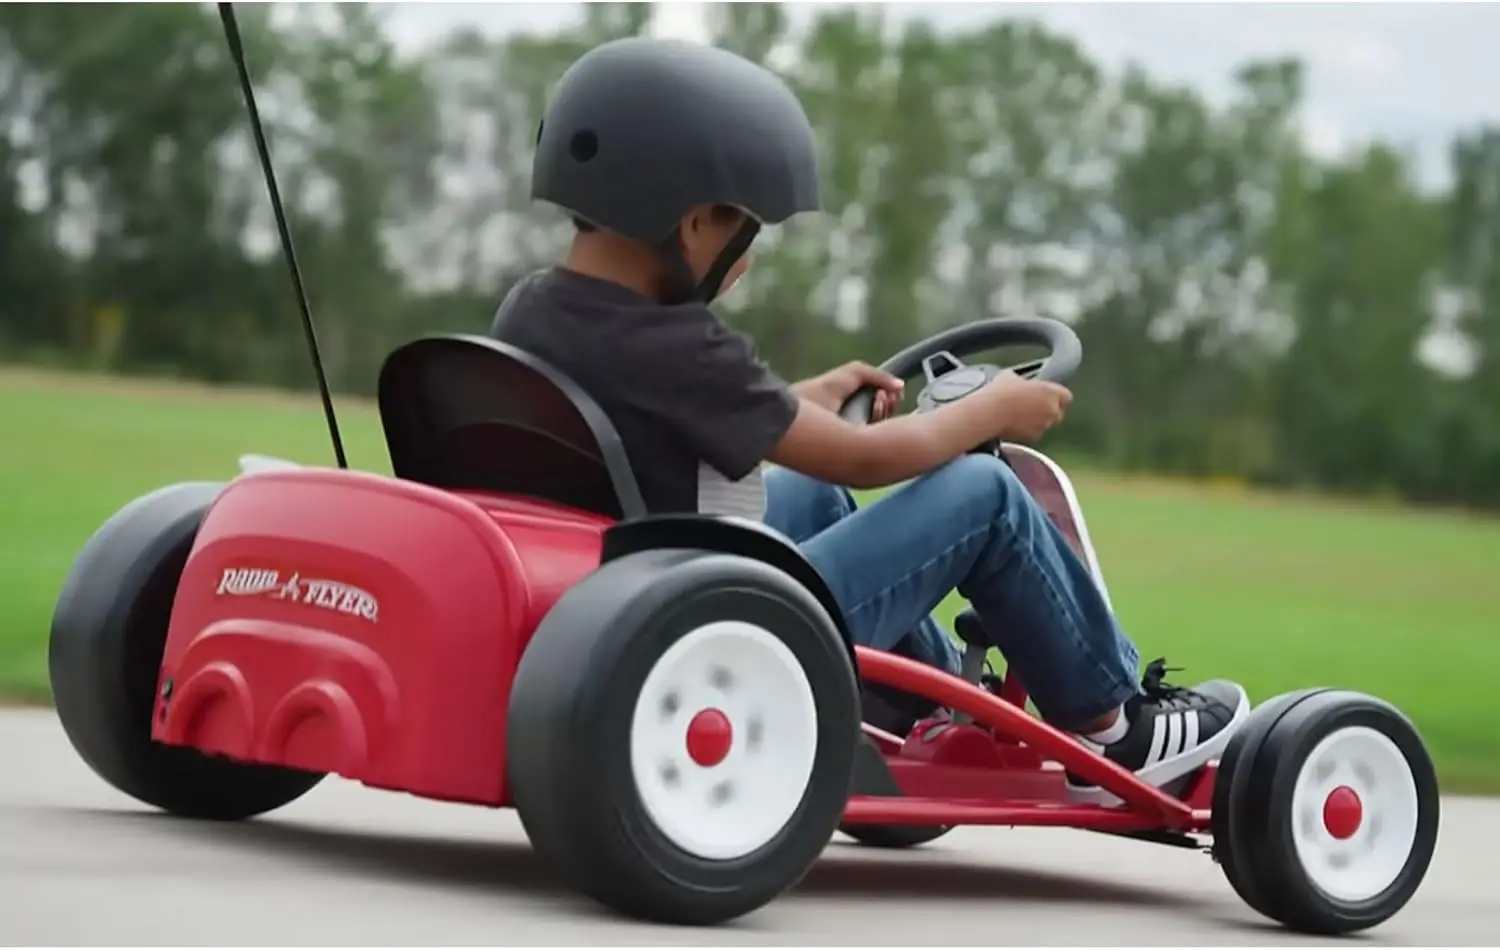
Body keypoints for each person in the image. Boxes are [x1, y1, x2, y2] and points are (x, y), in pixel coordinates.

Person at [490, 36, 1250, 801]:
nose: (746, 261)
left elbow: (659, 409)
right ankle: (1113, 724)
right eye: (745, 234)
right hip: (711, 620)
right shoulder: (683, 344)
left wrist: (800, 400)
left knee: (810, 500)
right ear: (693, 224)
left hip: (615, 585)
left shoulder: (534, 308)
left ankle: (929, 699)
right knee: (984, 495)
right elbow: (867, 460)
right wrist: (994, 407)